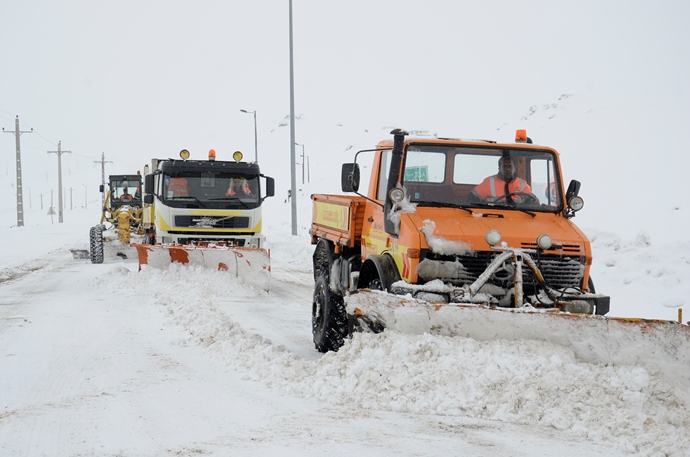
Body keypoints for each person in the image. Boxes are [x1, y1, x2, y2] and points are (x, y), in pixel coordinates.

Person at [468, 156, 533, 203]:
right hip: (493, 217)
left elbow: (533, 201)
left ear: (514, 168)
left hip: (517, 217)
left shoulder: (522, 184)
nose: (508, 169)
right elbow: (471, 199)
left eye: (510, 166)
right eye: (505, 166)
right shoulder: (489, 182)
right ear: (499, 168)